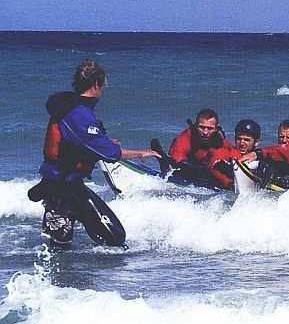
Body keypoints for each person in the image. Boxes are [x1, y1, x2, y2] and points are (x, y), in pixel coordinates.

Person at [28, 59, 158, 247]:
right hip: (61, 186)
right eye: (103, 86)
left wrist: (102, 142)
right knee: (113, 239)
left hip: (67, 183)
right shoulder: (79, 113)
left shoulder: (70, 107)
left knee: (66, 247)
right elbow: (111, 154)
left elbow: (78, 141)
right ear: (97, 84)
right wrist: (142, 153)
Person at [168, 108, 238, 189]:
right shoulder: (186, 138)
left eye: (210, 128)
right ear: (195, 126)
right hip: (187, 169)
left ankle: (229, 184)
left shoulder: (219, 139)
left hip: (207, 170)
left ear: (216, 128)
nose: (205, 132)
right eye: (201, 127)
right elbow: (176, 160)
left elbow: (234, 153)